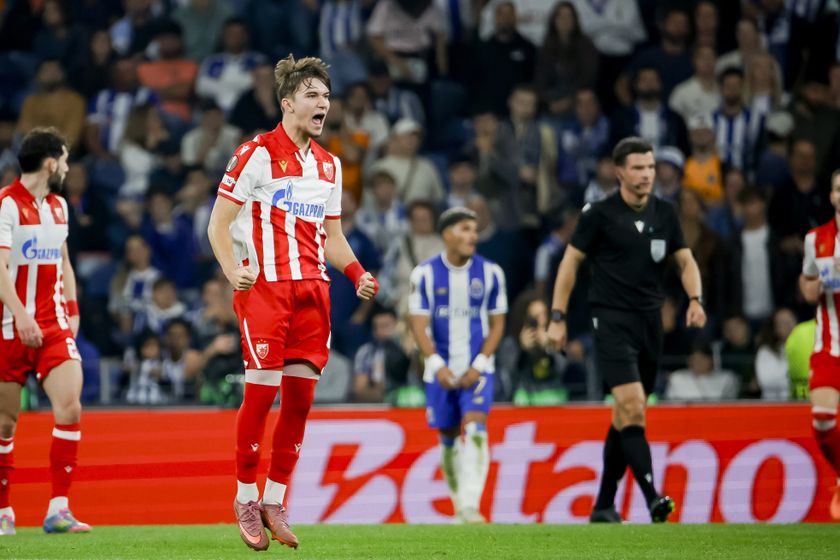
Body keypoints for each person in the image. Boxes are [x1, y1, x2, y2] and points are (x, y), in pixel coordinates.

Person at [206, 55, 378, 550]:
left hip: (313, 292)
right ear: (288, 103)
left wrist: (357, 272)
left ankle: (274, 500)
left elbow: (333, 236)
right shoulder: (256, 153)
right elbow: (218, 223)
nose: (323, 104)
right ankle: (244, 496)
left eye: (326, 97)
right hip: (264, 290)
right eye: (312, 96)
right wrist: (231, 270)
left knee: (300, 401)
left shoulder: (330, 164)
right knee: (260, 396)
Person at [547, 137, 706, 524]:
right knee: (634, 407)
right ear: (619, 172)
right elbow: (570, 264)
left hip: (650, 323)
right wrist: (557, 316)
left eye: (650, 167)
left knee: (625, 415)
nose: (646, 175)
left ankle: (603, 504)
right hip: (610, 321)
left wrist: (695, 300)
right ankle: (653, 498)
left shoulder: (666, 213)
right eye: (638, 168)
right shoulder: (599, 214)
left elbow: (685, 261)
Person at [0, 128, 91, 535]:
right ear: (51, 161)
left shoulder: (58, 206)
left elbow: (64, 261)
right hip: (8, 326)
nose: (68, 168)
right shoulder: (6, 205)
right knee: (4, 424)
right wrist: (19, 314)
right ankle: (3, 510)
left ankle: (58, 509)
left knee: (70, 407)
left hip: (53, 325)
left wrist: (71, 309)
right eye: (66, 160)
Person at [407, 207, 507, 524]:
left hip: (478, 369)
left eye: (474, 230)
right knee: (448, 437)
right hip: (440, 370)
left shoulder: (491, 273)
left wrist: (479, 364)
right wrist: (437, 366)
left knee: (477, 428)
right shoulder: (424, 274)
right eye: (465, 229)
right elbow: (418, 325)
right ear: (447, 234)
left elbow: (498, 324)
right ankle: (458, 505)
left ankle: (470, 507)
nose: (472, 236)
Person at [799, 169, 840, 520]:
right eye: (839, 190)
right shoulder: (817, 239)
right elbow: (808, 286)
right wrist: (815, 285)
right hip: (830, 342)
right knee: (823, 420)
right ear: (831, 196)